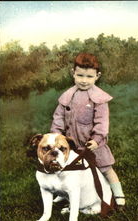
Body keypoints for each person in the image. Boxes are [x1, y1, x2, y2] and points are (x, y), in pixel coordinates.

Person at [50, 52, 125, 208]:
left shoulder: (99, 98)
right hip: (73, 145)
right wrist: (56, 137)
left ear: (97, 76)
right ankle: (66, 194)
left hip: (93, 144)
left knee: (105, 168)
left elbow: (102, 123)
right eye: (80, 75)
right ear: (73, 73)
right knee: (73, 171)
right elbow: (59, 118)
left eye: (89, 77)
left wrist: (97, 140)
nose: (84, 81)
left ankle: (118, 194)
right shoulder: (68, 96)